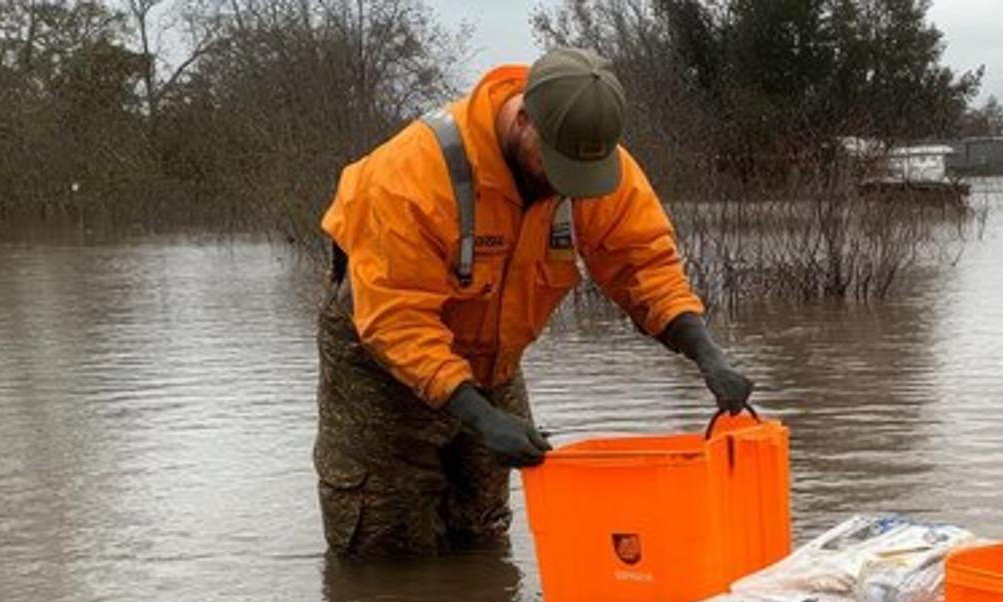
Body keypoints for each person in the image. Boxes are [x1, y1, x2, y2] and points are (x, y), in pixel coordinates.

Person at [315, 48, 753, 557]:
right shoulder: (411, 176)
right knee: (384, 545)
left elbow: (644, 265)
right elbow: (397, 321)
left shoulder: (595, 162)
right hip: (379, 360)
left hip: (491, 357)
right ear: (524, 119)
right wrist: (481, 418)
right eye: (558, 165)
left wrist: (707, 354)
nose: (569, 184)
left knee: (481, 531)